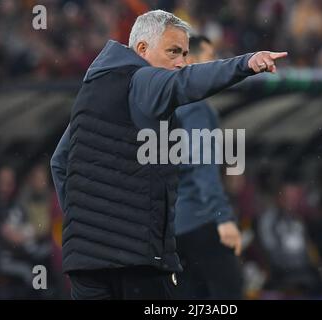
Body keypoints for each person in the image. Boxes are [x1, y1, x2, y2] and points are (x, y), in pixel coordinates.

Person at [50, 9, 287, 300]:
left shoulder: (92, 90)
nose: (181, 63)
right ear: (141, 49)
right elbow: (185, 83)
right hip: (135, 257)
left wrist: (85, 225)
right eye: (174, 52)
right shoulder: (144, 80)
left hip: (85, 262)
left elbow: (59, 162)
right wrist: (245, 64)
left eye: (186, 54)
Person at [173, 35, 243, 299]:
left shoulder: (168, 105)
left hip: (173, 228)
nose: (216, 64)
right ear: (190, 60)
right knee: (229, 293)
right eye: (210, 57)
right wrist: (223, 217)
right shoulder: (196, 108)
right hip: (200, 220)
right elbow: (202, 165)